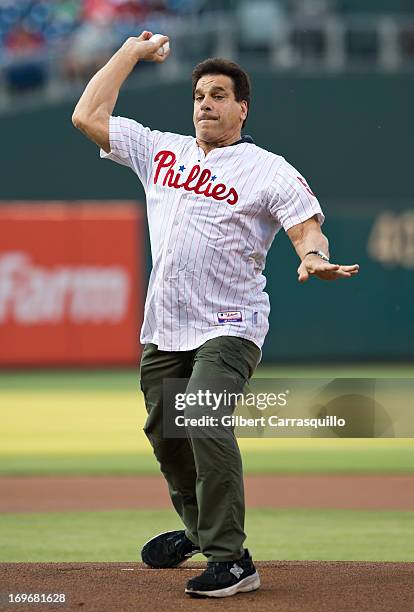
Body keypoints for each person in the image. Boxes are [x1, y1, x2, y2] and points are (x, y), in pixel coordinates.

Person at [72, 31, 359, 599]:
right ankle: (200, 530)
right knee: (165, 431)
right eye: (200, 94)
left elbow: (306, 224)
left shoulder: (267, 169)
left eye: (220, 94)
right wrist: (129, 53)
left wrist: (314, 258)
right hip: (165, 326)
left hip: (230, 324)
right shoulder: (163, 151)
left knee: (201, 415)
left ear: (242, 107)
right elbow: (87, 115)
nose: (206, 102)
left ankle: (231, 560)